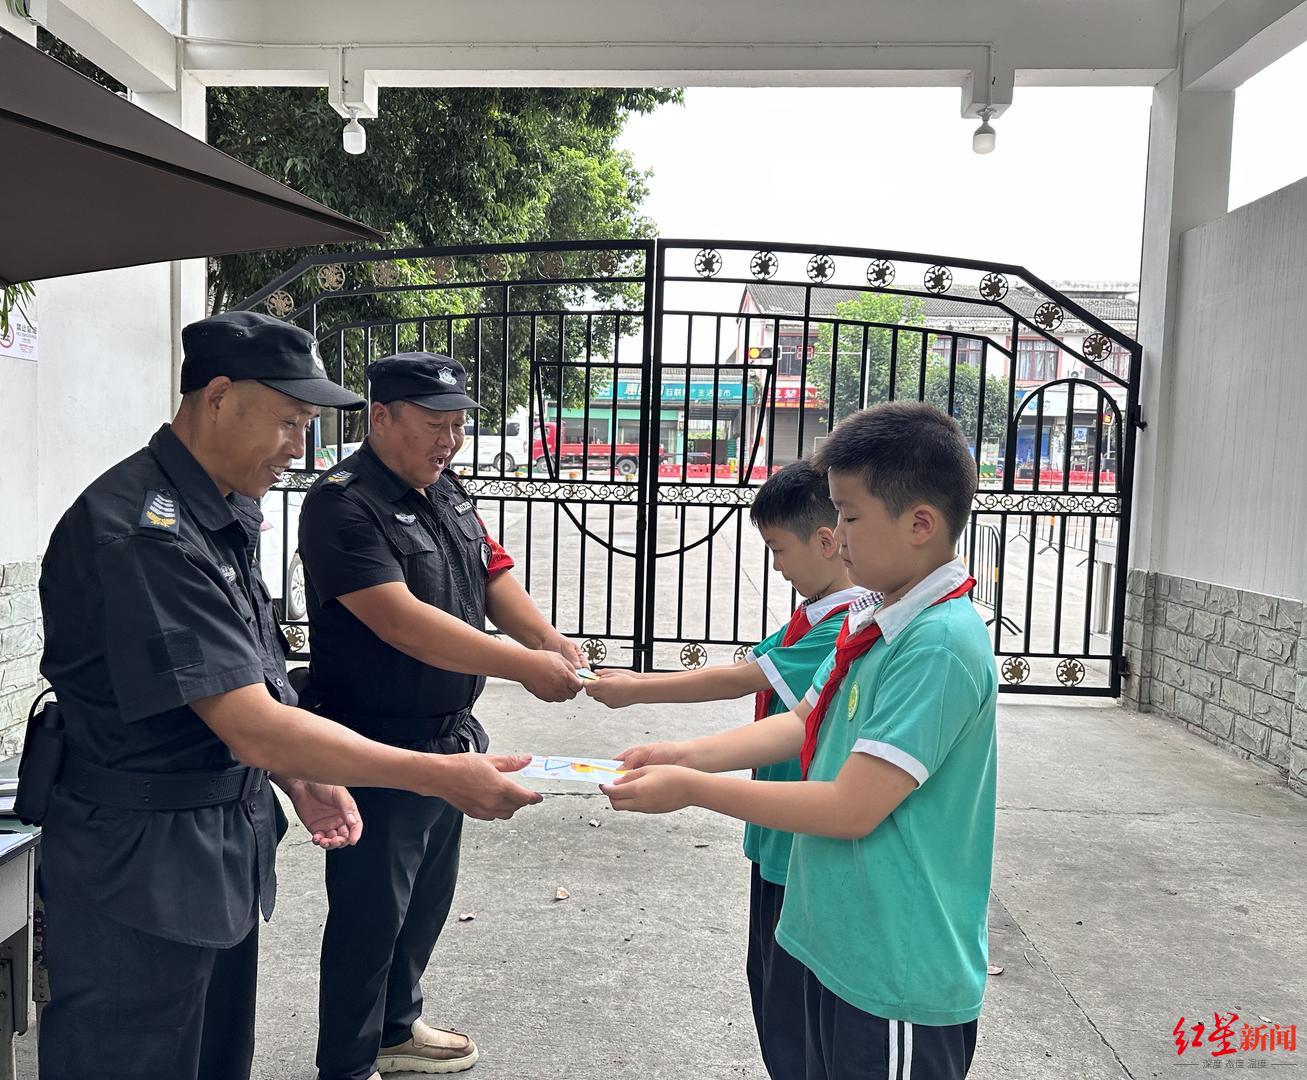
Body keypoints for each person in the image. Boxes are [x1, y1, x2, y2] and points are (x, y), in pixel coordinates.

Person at [35, 312, 541, 1080]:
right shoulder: (145, 532)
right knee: (133, 1054)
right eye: (288, 421)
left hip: (212, 847)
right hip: (140, 860)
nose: (299, 448)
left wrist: (298, 775)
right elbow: (251, 723)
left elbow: (239, 677)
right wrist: (439, 775)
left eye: (306, 425)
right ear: (217, 396)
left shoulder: (216, 510)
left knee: (212, 1057)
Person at [602, 402, 998, 1080]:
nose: (836, 537)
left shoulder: (937, 643)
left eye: (849, 516)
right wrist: (680, 756)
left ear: (919, 524)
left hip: (894, 968)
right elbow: (802, 722)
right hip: (838, 941)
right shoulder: (879, 615)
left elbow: (850, 807)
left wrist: (692, 789)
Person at [297, 352, 584, 1080]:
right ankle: (347, 1064)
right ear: (381, 416)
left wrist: (547, 641)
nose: (449, 441)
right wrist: (521, 666)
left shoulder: (445, 486)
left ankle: (395, 1030)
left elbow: (490, 573)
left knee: (424, 901)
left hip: (449, 734)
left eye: (457, 425)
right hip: (374, 742)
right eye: (434, 425)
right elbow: (399, 621)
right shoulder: (342, 504)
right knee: (370, 917)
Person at [584, 460, 867, 1078]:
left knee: (791, 1008)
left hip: (799, 835)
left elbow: (746, 681)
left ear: (827, 541)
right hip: (774, 831)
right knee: (769, 987)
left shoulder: (849, 623)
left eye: (779, 550)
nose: (776, 566)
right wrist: (675, 749)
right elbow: (756, 679)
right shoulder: (817, 614)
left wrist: (639, 693)